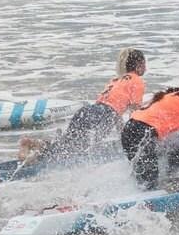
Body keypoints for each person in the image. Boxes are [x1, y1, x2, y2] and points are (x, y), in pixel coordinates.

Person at [19, 48, 147, 163]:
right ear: (139, 65)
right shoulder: (137, 81)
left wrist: (121, 135)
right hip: (104, 115)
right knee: (75, 149)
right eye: (144, 64)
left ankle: (33, 144)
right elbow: (135, 113)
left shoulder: (116, 80)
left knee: (69, 143)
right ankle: (34, 156)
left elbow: (113, 108)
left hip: (89, 110)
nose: (146, 68)